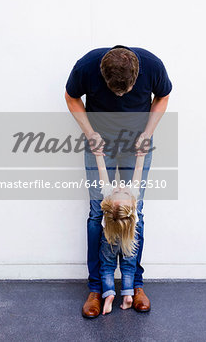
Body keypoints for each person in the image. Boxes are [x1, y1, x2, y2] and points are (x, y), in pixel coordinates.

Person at [65, 45, 172, 318]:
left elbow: (163, 96)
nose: (120, 96)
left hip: (137, 143)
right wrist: (90, 133)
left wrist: (148, 133)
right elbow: (71, 96)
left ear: (137, 75)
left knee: (136, 213)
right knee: (96, 214)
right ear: (102, 74)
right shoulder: (87, 65)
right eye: (116, 92)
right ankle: (96, 288)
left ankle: (134, 285)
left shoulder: (152, 65)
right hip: (98, 141)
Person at [96, 153, 144, 314]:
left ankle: (109, 294)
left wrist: (98, 155)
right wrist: (141, 156)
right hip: (130, 239)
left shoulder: (108, 196)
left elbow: (102, 170)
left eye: (118, 191)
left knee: (108, 267)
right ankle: (128, 295)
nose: (121, 187)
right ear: (132, 203)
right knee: (129, 268)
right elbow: (138, 169)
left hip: (109, 240)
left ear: (108, 204)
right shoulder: (133, 196)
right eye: (122, 192)